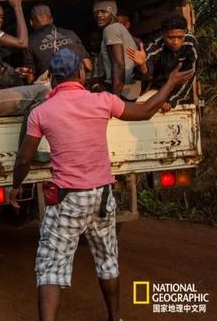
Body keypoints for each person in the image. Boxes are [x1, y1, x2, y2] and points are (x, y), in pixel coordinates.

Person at [10, 48, 193, 321]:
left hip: (67, 200)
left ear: (53, 80)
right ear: (82, 73)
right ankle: (113, 317)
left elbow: (24, 157)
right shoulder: (103, 101)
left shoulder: (41, 112)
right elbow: (144, 111)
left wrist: (16, 185)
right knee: (107, 261)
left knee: (50, 268)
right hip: (102, 197)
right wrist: (169, 83)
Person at [127, 14, 198, 112]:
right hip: (157, 89)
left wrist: (172, 100)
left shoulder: (191, 44)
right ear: (162, 34)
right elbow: (146, 72)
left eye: (180, 37)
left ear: (185, 33)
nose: (176, 42)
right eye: (171, 37)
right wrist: (142, 64)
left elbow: (189, 76)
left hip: (179, 91)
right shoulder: (156, 47)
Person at [24, 4, 92, 79]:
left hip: (50, 88)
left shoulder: (28, 41)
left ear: (31, 23)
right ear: (51, 19)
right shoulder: (70, 33)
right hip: (76, 84)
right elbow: (88, 65)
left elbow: (30, 77)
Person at [95, 0, 141, 101]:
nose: (99, 15)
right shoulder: (119, 28)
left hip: (122, 91)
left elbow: (119, 64)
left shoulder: (111, 29)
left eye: (103, 11)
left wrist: (115, 98)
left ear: (112, 13)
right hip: (129, 88)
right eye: (96, 12)